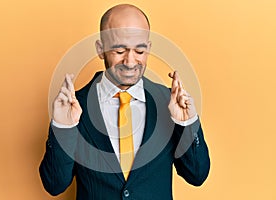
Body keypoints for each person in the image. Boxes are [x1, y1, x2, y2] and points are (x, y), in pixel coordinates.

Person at [39, 4, 210, 200]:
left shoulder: (168, 102)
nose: (130, 62)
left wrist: (186, 123)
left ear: (149, 48)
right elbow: (54, 184)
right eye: (119, 50)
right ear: (100, 49)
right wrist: (63, 128)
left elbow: (197, 175)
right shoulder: (75, 106)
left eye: (139, 51)